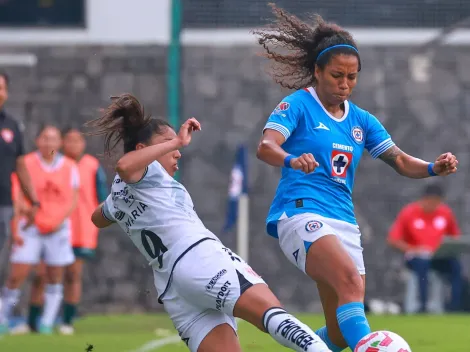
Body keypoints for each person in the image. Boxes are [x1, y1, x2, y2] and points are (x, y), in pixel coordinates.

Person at [254, 4, 458, 352]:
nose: (345, 84)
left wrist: (430, 168)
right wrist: (290, 158)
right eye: (337, 76)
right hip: (301, 212)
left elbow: (399, 160)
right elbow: (266, 146)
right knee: (350, 282)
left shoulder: (362, 120)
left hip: (344, 222)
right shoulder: (297, 106)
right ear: (317, 72)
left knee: (336, 333)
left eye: (352, 77)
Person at [87, 94, 332, 352]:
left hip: (174, 287)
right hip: (200, 259)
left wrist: (116, 204)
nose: (177, 151)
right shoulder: (148, 170)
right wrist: (179, 139)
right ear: (142, 150)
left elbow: (97, 218)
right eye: (168, 144)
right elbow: (125, 165)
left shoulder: (119, 194)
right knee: (272, 315)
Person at [14, 127, 108, 335]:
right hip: (51, 227)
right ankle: (33, 322)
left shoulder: (91, 166)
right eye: (69, 141)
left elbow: (102, 198)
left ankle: (66, 321)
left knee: (73, 274)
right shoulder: (56, 165)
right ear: (62, 143)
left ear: (83, 144)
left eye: (78, 141)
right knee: (41, 274)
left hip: (81, 229)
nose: (73, 145)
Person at [0, 125, 79, 335]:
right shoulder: (26, 163)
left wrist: (58, 220)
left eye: (53, 139)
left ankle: (47, 321)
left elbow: (73, 199)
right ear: (37, 141)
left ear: (59, 143)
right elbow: (16, 191)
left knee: (54, 275)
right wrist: (24, 211)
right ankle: (3, 318)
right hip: (30, 227)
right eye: (45, 138)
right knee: (17, 274)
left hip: (57, 228)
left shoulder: (70, 166)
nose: (49, 143)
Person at [388, 184, 463, 313]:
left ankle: (455, 308)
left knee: (456, 267)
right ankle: (423, 307)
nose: (434, 205)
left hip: (438, 257)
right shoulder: (409, 212)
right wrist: (413, 249)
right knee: (423, 265)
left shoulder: (445, 213)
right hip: (416, 258)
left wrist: (446, 247)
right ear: (424, 199)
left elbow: (455, 237)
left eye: (437, 202)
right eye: (431, 201)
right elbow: (393, 240)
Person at [0, 71, 39, 268]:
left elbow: (21, 165)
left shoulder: (12, 125)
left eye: (1, 88)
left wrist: (33, 199)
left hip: (3, 202)